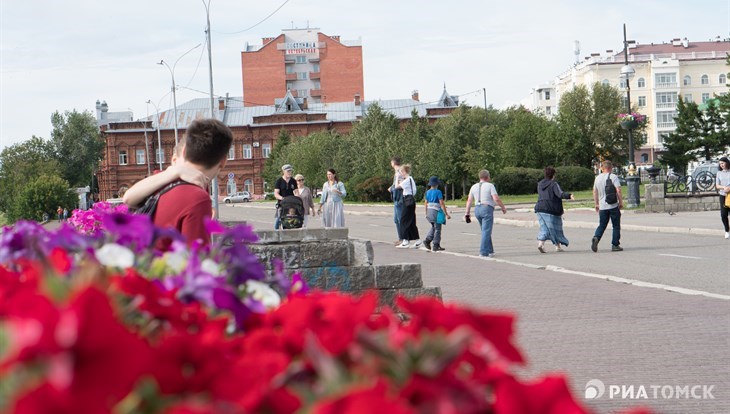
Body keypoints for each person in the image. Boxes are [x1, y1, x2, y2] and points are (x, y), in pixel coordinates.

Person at [153, 118, 232, 248]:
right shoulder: (197, 197)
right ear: (223, 161)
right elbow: (196, 257)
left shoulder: (158, 182)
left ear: (183, 151)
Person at [122, 143, 209, 208]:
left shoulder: (199, 183)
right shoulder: (161, 180)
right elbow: (128, 198)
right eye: (189, 161)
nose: (190, 169)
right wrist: (175, 172)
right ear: (174, 160)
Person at [464, 169, 507, 257]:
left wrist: (467, 213)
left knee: (485, 231)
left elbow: (469, 200)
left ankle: (490, 250)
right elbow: (496, 198)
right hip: (486, 208)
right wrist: (503, 207)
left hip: (477, 209)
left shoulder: (473, 186)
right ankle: (483, 252)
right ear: (487, 177)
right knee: (486, 231)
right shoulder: (490, 186)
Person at [534, 166, 575, 253]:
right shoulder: (553, 184)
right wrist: (569, 195)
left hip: (539, 208)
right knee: (557, 227)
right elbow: (560, 194)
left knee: (544, 227)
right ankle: (558, 247)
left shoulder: (540, 184)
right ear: (553, 175)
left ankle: (540, 244)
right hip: (551, 209)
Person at [591, 160, 623, 252]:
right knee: (616, 226)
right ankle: (615, 245)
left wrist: (596, 203)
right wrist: (620, 202)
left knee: (602, 225)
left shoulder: (597, 178)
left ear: (602, 168)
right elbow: (618, 190)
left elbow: (594, 191)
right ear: (611, 168)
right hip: (612, 205)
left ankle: (596, 237)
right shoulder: (613, 177)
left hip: (602, 206)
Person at [395, 164, 422, 248]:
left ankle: (405, 240)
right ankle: (418, 240)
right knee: (411, 222)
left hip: (407, 201)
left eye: (400, 172)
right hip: (410, 201)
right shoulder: (409, 179)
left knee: (403, 220)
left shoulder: (407, 180)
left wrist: (396, 178)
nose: (400, 174)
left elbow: (396, 187)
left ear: (403, 172)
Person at [422, 176, 451, 252]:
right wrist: (446, 214)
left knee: (433, 227)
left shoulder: (427, 192)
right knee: (437, 228)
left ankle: (427, 240)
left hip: (429, 211)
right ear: (437, 184)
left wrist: (426, 213)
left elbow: (425, 203)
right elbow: (441, 203)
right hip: (436, 212)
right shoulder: (438, 192)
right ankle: (436, 245)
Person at [274, 164, 297, 230]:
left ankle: (288, 232)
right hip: (282, 203)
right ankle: (276, 232)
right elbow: (276, 194)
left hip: (291, 204)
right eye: (288, 171)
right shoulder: (279, 181)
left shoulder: (293, 181)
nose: (290, 173)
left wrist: (297, 198)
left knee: (290, 220)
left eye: (291, 171)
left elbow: (296, 192)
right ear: (284, 171)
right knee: (279, 218)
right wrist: (282, 198)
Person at [388, 156, 404, 245]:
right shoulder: (397, 172)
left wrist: (393, 188)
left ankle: (403, 238)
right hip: (396, 197)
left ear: (393, 163)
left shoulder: (400, 172)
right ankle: (400, 238)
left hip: (399, 197)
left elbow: (401, 184)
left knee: (400, 218)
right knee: (396, 219)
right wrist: (392, 187)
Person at [716, 156, 730, 239]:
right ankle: (726, 230)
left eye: (723, 163)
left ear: (727, 162)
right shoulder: (719, 173)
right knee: (723, 214)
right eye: (720, 164)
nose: (721, 165)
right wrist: (724, 188)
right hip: (723, 195)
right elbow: (717, 185)